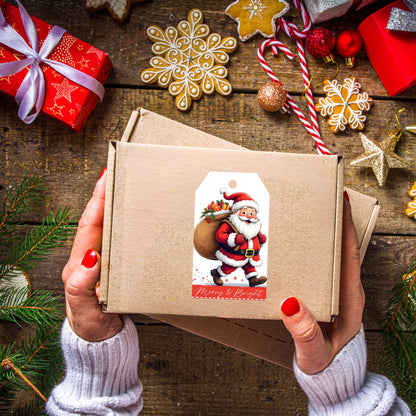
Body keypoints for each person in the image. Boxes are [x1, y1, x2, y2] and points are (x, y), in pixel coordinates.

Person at [46, 169, 411, 415]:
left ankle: (241, 276)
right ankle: (225, 274)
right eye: (248, 211)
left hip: (247, 259)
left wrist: (93, 381)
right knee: (226, 266)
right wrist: (346, 399)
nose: (252, 215)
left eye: (254, 212)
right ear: (236, 213)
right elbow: (224, 237)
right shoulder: (230, 228)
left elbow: (260, 236)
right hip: (228, 255)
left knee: (247, 268)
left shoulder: (252, 228)